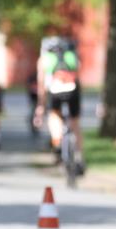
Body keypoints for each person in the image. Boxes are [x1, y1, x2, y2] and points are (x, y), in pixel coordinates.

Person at [35, 36, 85, 174]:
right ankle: (79, 158)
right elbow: (79, 76)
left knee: (54, 115)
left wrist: (41, 105)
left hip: (54, 89)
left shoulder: (44, 59)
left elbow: (41, 85)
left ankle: (57, 143)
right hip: (73, 89)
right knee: (75, 122)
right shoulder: (71, 56)